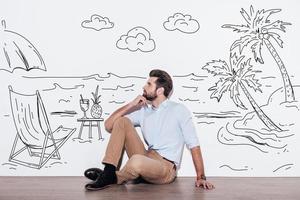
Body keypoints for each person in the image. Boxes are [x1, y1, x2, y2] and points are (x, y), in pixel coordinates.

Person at [84, 69, 215, 190]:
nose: (144, 87)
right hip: (147, 157)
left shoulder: (179, 110)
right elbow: (109, 125)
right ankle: (108, 171)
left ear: (160, 91)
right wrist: (131, 105)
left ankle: (114, 177)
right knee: (122, 121)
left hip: (165, 167)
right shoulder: (143, 110)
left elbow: (194, 145)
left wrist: (201, 177)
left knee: (135, 160)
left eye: (149, 84)